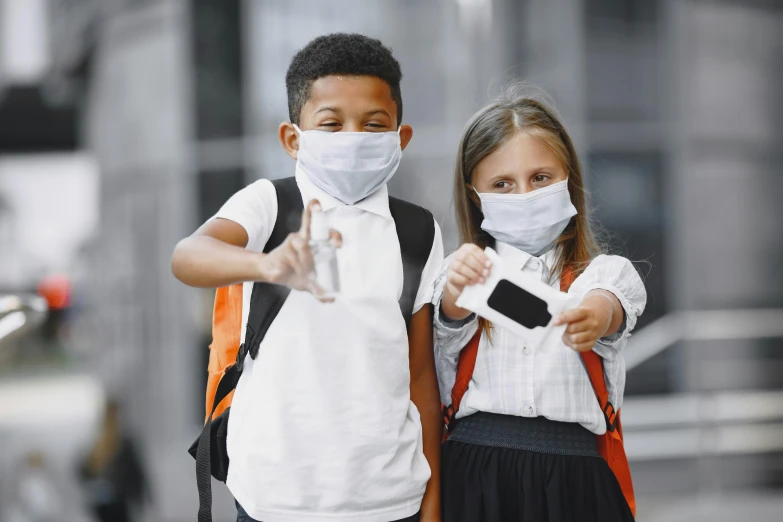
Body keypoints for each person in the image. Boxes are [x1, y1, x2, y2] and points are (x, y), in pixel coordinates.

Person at [171, 33, 443, 522]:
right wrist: (267, 264)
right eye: (332, 124)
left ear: (400, 138)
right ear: (293, 139)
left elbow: (421, 374)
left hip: (389, 500)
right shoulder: (268, 205)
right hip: (275, 498)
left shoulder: (418, 229)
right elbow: (188, 257)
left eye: (373, 124)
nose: (353, 137)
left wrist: (433, 501)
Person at [434, 89, 647, 522]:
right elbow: (446, 324)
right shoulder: (461, 274)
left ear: (568, 176)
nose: (524, 194)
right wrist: (458, 289)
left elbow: (608, 304)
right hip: (475, 472)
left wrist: (594, 316)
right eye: (502, 185)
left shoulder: (603, 272)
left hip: (576, 478)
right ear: (476, 196)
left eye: (541, 178)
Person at [79, 399, 147, 522]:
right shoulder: (110, 443)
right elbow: (137, 473)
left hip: (111, 501)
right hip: (113, 502)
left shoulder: (103, 442)